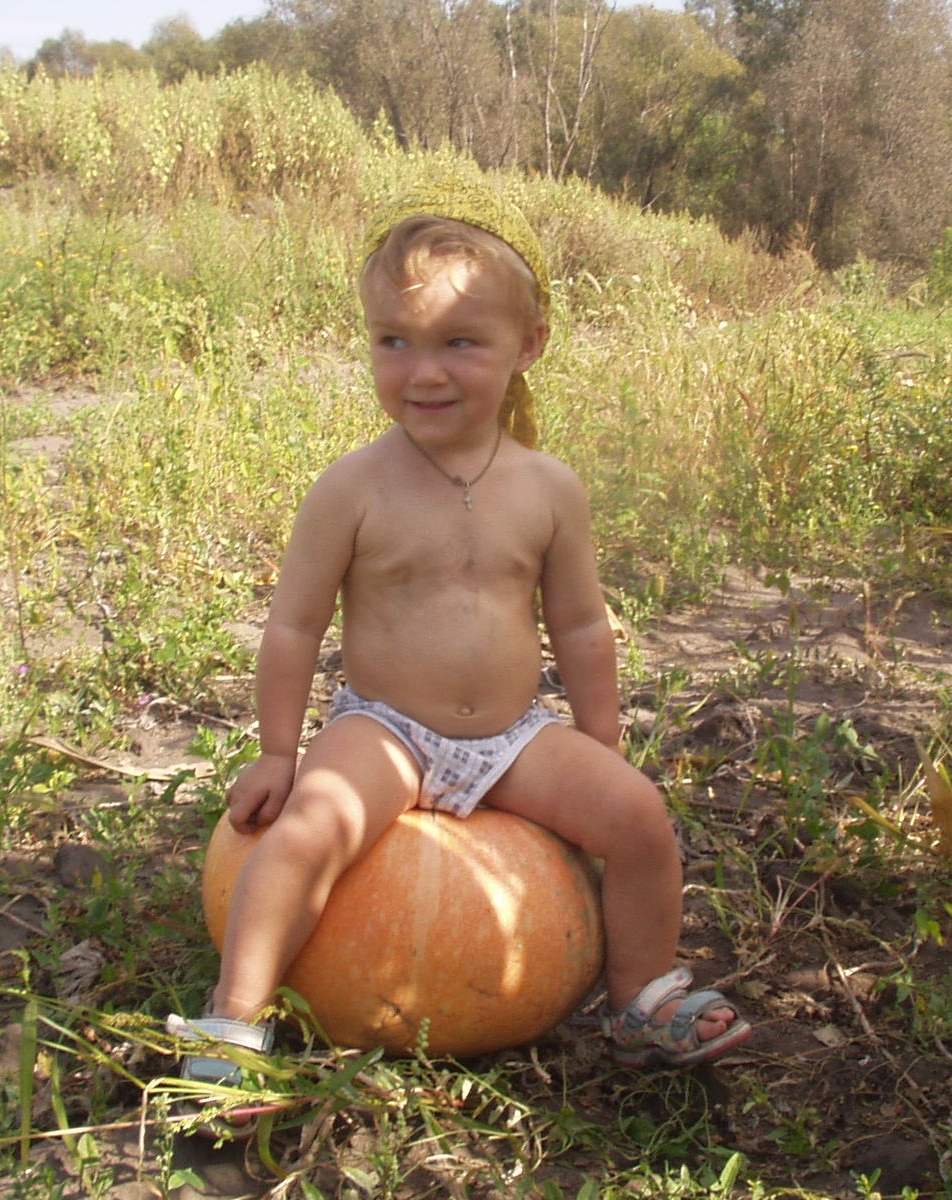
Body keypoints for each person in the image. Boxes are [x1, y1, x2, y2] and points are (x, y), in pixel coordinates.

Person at [168, 178, 750, 1099]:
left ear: (529, 345)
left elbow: (580, 625)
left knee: (639, 819)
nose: (423, 372)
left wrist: (600, 742)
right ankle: (235, 1020)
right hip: (384, 729)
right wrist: (280, 752)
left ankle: (640, 1000)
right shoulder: (352, 488)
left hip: (512, 736)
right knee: (304, 833)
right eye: (393, 341)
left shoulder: (549, 489)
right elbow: (292, 626)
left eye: (458, 343)